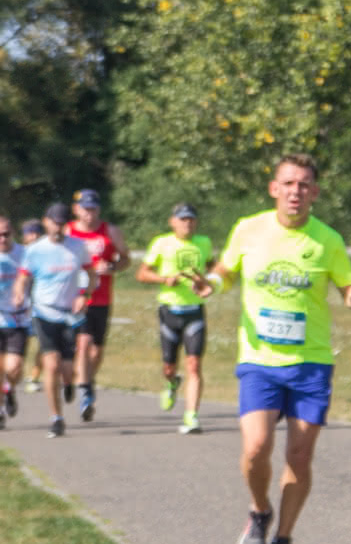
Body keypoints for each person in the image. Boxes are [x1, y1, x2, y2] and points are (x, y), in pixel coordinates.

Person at [195, 154, 351, 544]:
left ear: (315, 192)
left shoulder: (327, 239)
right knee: (256, 447)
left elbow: (347, 289)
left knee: (299, 456)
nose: (296, 191)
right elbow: (225, 270)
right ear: (274, 188)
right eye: (289, 183)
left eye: (304, 184)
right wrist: (212, 283)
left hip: (310, 363)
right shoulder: (249, 228)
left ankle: (283, 540)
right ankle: (260, 510)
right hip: (259, 360)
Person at [13, 204, 93, 439]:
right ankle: (56, 418)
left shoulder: (78, 247)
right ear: (46, 222)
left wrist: (84, 295)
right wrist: (19, 293)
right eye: (54, 223)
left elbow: (92, 274)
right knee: (51, 364)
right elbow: (23, 277)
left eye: (62, 223)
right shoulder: (35, 250)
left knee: (67, 370)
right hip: (44, 312)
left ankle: (68, 384)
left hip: (70, 315)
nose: (58, 227)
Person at [136, 203, 213, 434]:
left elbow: (213, 269)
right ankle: (171, 382)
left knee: (194, 364)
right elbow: (142, 273)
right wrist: (164, 279)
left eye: (191, 219)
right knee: (169, 367)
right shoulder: (162, 243)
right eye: (182, 219)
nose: (187, 223)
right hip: (169, 311)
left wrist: (207, 281)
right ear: (173, 222)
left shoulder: (204, 243)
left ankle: (191, 416)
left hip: (195, 310)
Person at [66, 188, 130, 423]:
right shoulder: (68, 232)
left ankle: (85, 379)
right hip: (76, 299)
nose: (89, 214)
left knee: (97, 351)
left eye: (93, 209)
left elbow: (126, 259)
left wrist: (112, 267)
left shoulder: (110, 232)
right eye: (85, 209)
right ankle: (85, 394)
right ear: (76, 209)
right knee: (83, 344)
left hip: (102, 299)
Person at [0, 215, 30, 427]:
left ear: (13, 233)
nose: (2, 239)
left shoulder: (25, 254)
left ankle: (10, 390)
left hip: (18, 319)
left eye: (6, 234)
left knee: (13, 368)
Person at [18, 219, 44, 393]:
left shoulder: (47, 253)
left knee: (44, 343)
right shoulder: (18, 254)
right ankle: (14, 374)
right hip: (21, 307)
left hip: (42, 306)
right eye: (30, 233)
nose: (33, 236)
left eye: (37, 233)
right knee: (19, 343)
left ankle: (34, 377)